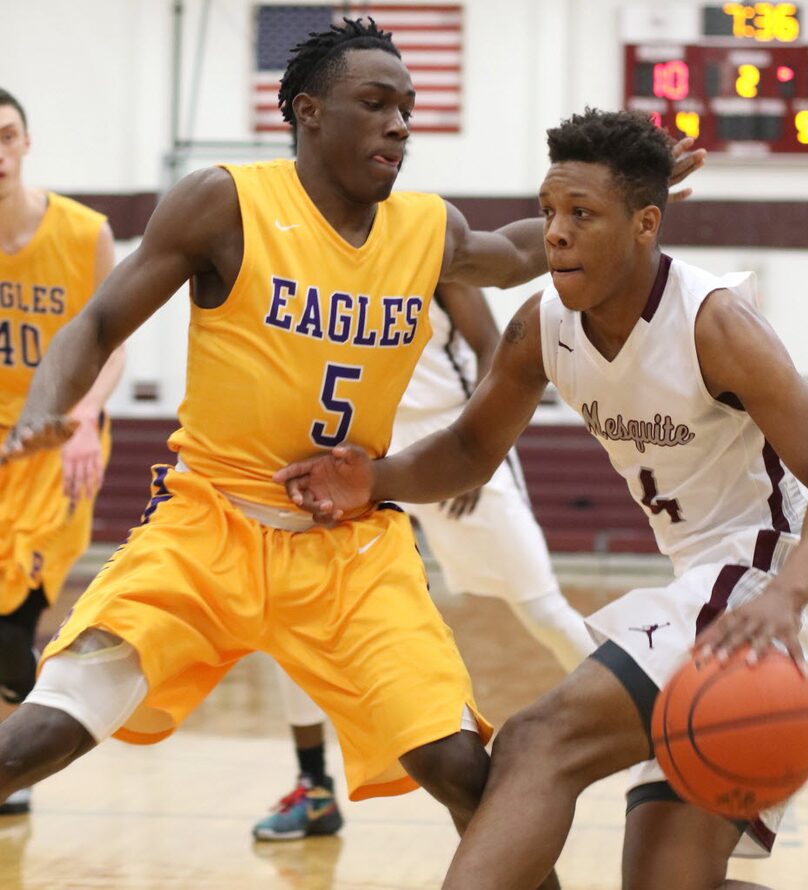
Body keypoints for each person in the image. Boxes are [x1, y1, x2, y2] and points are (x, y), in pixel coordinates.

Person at [0, 20, 699, 879]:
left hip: (350, 544)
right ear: (308, 112)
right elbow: (98, 322)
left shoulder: (425, 228)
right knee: (47, 728)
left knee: (463, 771)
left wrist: (631, 196)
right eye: (377, 104)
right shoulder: (224, 199)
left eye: (408, 108)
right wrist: (48, 407)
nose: (400, 124)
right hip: (209, 525)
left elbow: (521, 251)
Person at [273, 108, 808, 890]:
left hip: (775, 579)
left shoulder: (715, 324)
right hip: (716, 580)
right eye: (548, 213)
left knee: (538, 740)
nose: (556, 234)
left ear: (644, 225)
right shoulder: (543, 326)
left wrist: (790, 597)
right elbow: (471, 449)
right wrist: (378, 477)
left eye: (581, 215)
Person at [252, 282, 594, 841]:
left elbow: (496, 348)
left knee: (542, 609)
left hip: (451, 444)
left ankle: (654, 734)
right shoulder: (310, 258)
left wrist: (481, 449)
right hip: (359, 453)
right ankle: (313, 788)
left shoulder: (434, 248)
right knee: (295, 616)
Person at [0, 88, 125, 816]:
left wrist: (83, 418)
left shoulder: (83, 233)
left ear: (25, 143)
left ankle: (19, 761)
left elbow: (109, 340)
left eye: (7, 135)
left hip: (56, 449)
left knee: (13, 622)